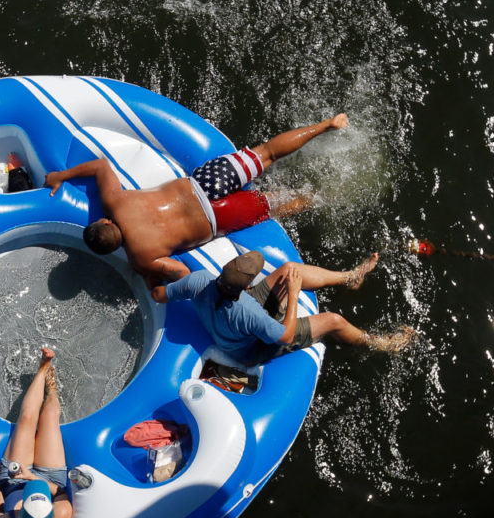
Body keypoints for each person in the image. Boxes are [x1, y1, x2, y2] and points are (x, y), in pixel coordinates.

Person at [44, 114, 349, 284]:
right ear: (103, 220)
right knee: (267, 152)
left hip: (219, 217)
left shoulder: (141, 256)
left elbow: (182, 272)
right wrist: (61, 176)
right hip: (205, 183)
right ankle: (327, 125)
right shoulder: (117, 202)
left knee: (283, 204)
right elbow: (101, 166)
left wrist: (151, 279)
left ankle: (328, 195)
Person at [151, 250, 416, 365]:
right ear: (245, 288)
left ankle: (350, 278)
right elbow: (284, 335)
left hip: (229, 321)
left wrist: (169, 282)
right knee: (333, 320)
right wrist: (293, 293)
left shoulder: (199, 280)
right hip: (247, 350)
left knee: (289, 269)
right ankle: (381, 343)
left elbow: (159, 295)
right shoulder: (250, 312)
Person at [0, 347, 73, 518]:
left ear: (21, 514)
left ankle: (43, 368)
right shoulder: (62, 515)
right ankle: (50, 385)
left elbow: (0, 508)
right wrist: (32, 477)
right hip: (50, 479)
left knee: (27, 418)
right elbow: (60, 492)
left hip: (13, 482)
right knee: (49, 415)